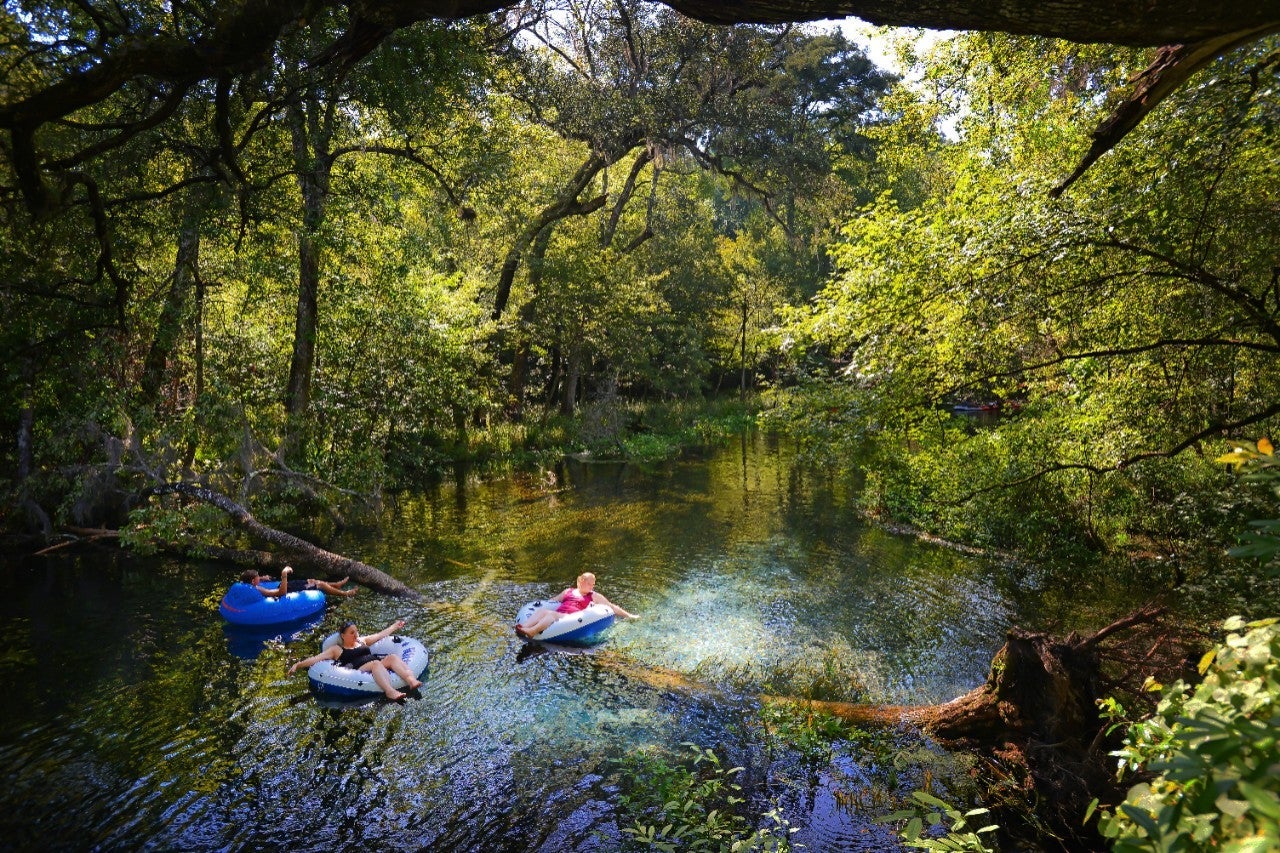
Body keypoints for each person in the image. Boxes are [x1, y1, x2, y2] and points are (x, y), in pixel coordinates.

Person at [288, 619, 422, 701]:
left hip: (376, 663)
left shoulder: (362, 641)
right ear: (343, 635)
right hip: (359, 669)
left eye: (356, 631)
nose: (356, 635)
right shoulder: (336, 649)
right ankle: (390, 691)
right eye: (352, 633)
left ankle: (411, 680)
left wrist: (395, 626)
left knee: (392, 657)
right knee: (376, 664)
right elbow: (316, 658)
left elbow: (379, 635)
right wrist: (298, 665)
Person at [515, 571, 637, 638]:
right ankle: (523, 626)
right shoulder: (568, 591)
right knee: (543, 611)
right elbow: (551, 601)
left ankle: (532, 631)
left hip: (569, 617)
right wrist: (542, 606)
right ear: (581, 582)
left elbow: (611, 606)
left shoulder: (593, 596)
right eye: (590, 584)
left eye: (593, 584)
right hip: (559, 613)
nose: (592, 586)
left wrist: (629, 616)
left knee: (550, 615)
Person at [241, 566, 356, 598]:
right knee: (320, 585)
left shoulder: (248, 584)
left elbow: (252, 580)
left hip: (288, 586)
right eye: (257, 577)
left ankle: (337, 584)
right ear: (253, 581)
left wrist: (262, 578)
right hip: (288, 590)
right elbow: (281, 593)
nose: (259, 578)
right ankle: (346, 594)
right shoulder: (259, 589)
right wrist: (284, 574)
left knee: (311, 580)